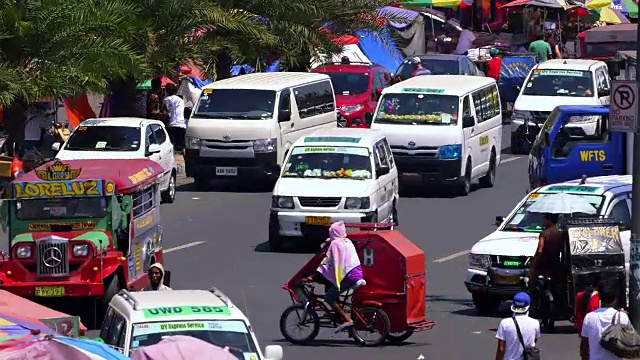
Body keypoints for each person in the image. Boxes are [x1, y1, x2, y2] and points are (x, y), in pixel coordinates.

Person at [305, 221, 364, 332]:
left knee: (329, 298)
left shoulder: (335, 244)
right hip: (356, 273)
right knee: (334, 292)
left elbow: (328, 263)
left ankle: (347, 320)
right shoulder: (347, 242)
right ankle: (340, 316)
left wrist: (314, 276)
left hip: (348, 275)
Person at [580, 283, 630, 360]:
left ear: (599, 297)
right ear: (615, 298)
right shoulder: (622, 317)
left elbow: (584, 346)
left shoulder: (589, 317)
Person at [495, 292, 541, 360]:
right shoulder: (535, 323)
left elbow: (501, 349)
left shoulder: (504, 323)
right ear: (528, 307)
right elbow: (534, 340)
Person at [529, 213, 564, 290]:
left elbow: (540, 251)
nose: (543, 221)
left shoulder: (544, 233)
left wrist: (534, 264)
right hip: (556, 264)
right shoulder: (560, 233)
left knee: (532, 282)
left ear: (549, 220)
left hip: (544, 264)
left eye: (545, 219)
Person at [163, 84, 187, 152]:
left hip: (171, 125)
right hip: (181, 124)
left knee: (171, 147)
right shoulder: (181, 100)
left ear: (166, 91)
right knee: (181, 148)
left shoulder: (166, 100)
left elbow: (166, 112)